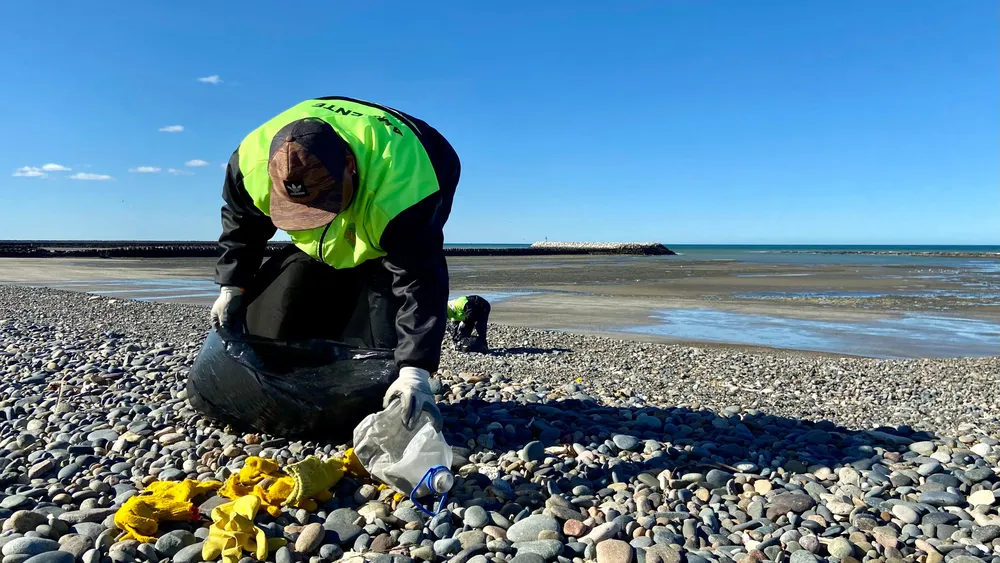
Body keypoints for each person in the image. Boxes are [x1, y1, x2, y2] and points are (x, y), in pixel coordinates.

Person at [207, 96, 460, 430]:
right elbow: (242, 224)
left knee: (385, 340)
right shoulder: (249, 164)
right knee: (272, 320)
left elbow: (419, 278)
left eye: (323, 203)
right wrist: (232, 284)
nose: (314, 217)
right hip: (329, 139)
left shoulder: (406, 189)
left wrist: (415, 370)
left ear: (349, 166)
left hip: (426, 152)